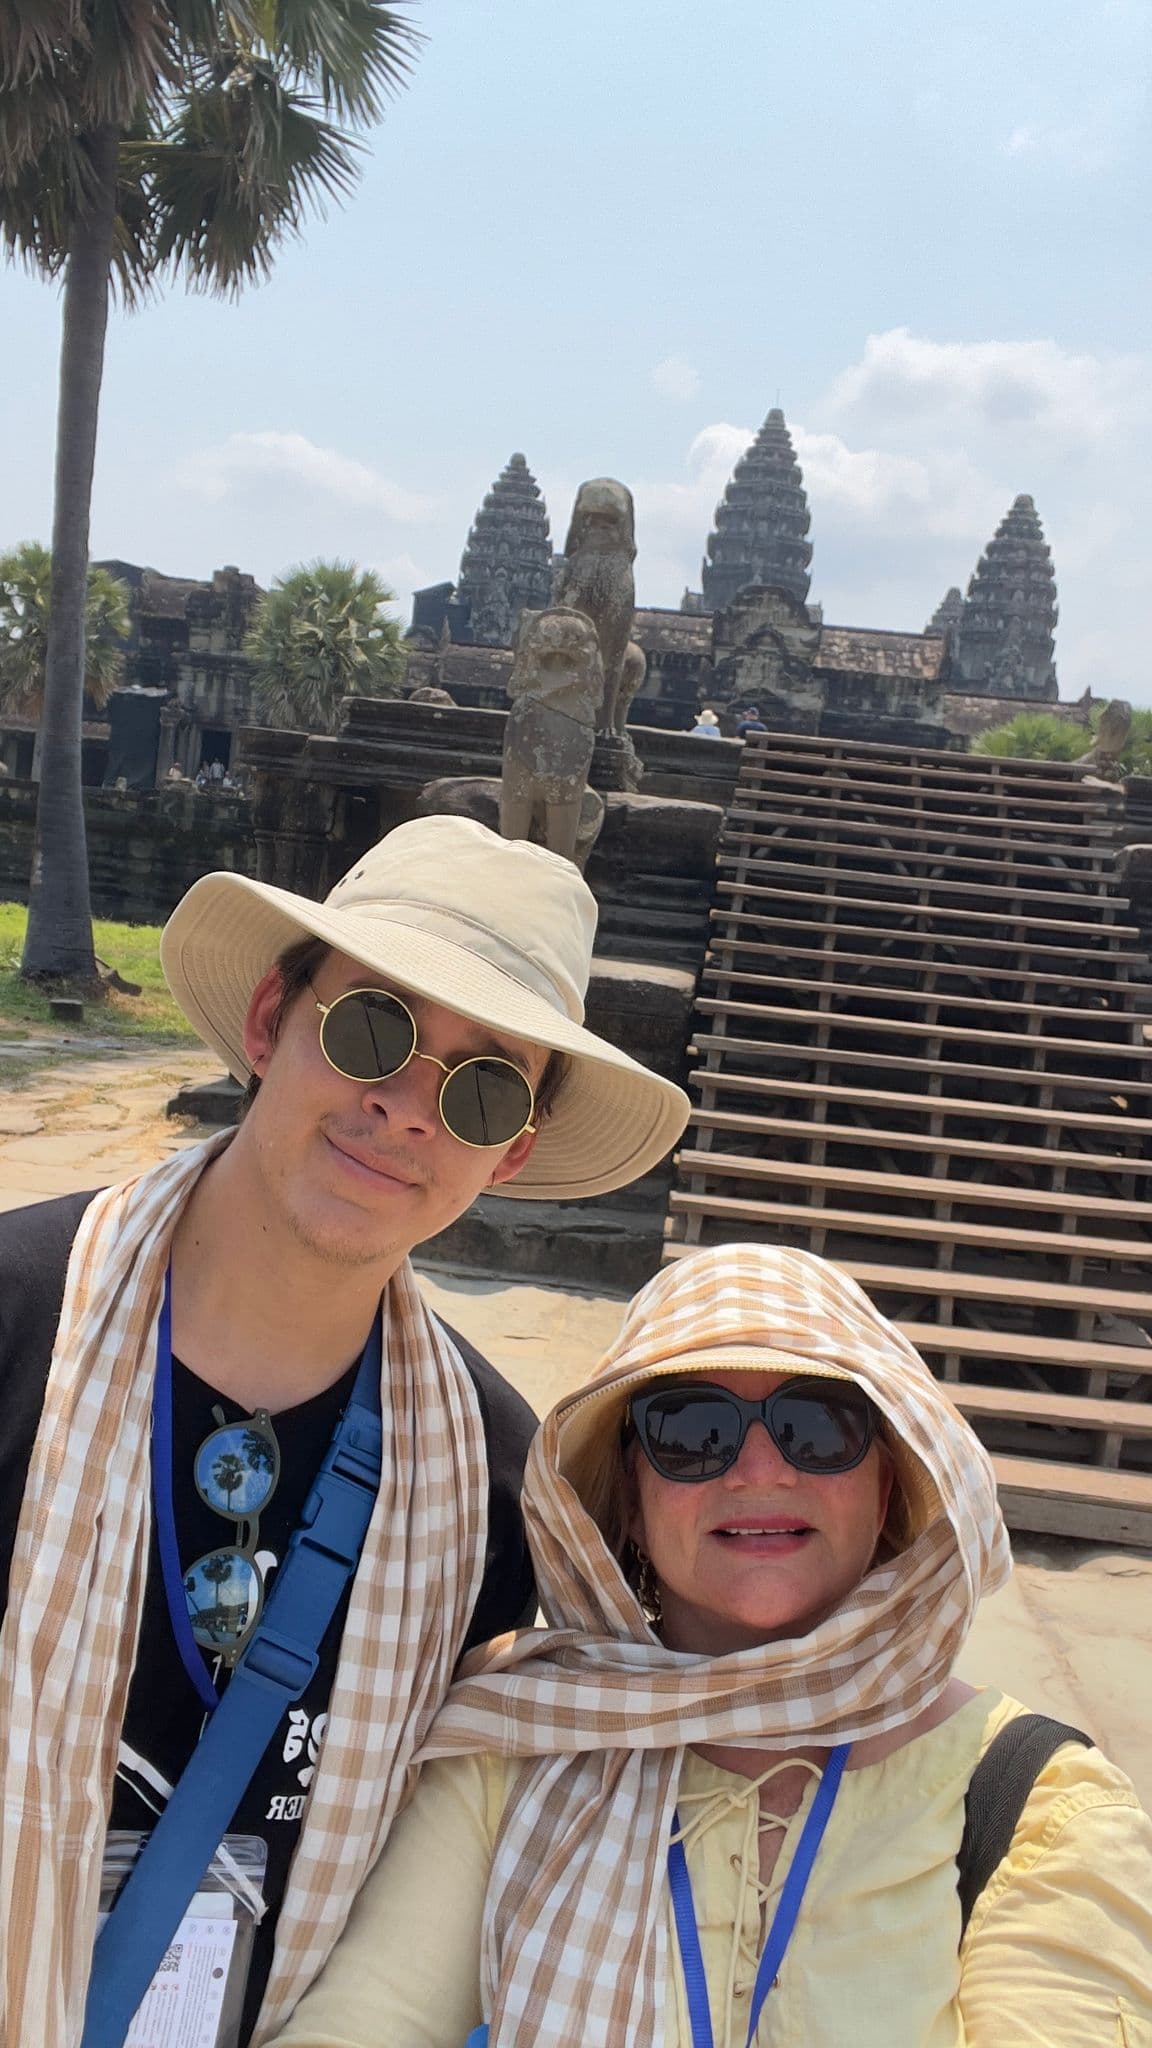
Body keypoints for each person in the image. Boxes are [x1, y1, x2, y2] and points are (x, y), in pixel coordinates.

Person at [0, 815, 690, 2048]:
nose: (410, 1109)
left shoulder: (489, 1469)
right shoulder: (15, 1317)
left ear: (512, 1152)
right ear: (271, 1021)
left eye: (482, 1089)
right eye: (376, 1028)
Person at [273, 1243, 1152, 2048]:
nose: (760, 1469)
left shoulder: (1030, 1805)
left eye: (819, 1425)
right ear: (633, 1493)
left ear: (887, 1483)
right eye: (693, 1429)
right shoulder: (522, 1741)